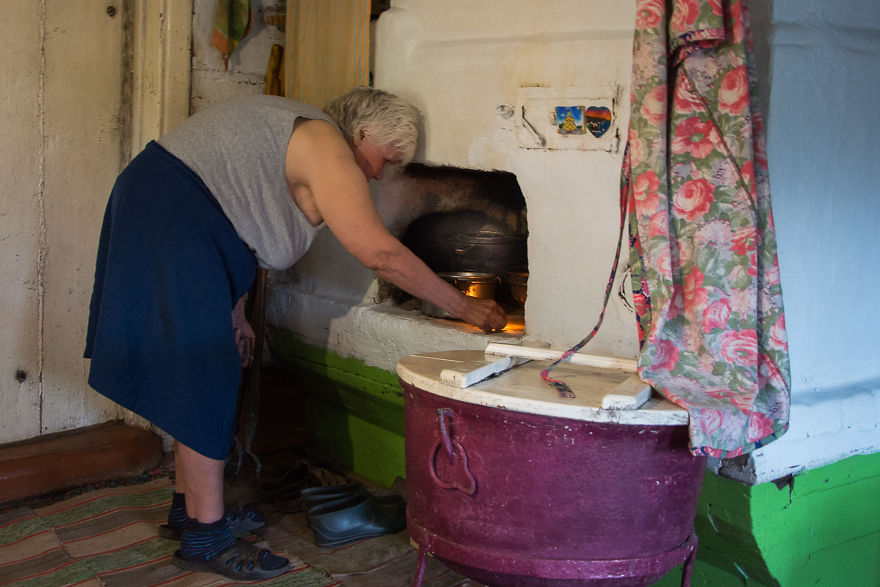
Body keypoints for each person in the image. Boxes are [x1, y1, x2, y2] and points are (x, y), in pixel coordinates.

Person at [84, 87, 507, 581]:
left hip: (171, 209)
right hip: (170, 212)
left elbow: (237, 214)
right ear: (363, 133)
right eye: (384, 159)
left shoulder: (299, 132)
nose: (377, 174)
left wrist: (235, 310)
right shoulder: (324, 143)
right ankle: (205, 535)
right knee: (202, 370)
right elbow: (380, 253)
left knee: (203, 363)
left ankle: (189, 509)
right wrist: (466, 307)